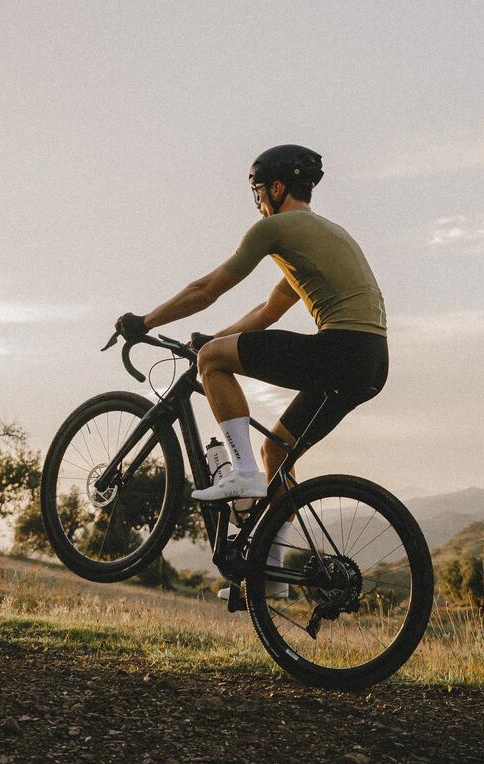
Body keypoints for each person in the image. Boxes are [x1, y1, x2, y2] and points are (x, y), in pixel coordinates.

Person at [113, 144, 388, 505]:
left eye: (258, 193)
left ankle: (242, 474)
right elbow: (268, 312)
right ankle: (269, 556)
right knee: (275, 454)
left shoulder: (275, 228)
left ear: (276, 189)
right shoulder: (324, 236)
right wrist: (217, 338)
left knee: (211, 360)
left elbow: (207, 289)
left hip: (340, 349)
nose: (258, 203)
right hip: (371, 362)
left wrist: (146, 322)